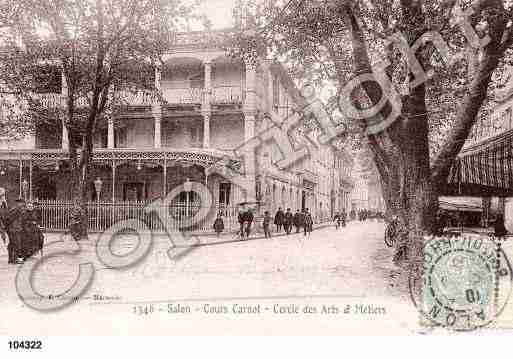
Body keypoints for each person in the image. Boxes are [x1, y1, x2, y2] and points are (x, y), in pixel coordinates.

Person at [4, 198, 27, 264]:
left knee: (12, 244)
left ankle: (11, 259)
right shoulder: (16, 210)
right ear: (18, 203)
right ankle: (14, 259)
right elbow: (9, 219)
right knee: (16, 244)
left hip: (15, 229)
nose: (23, 204)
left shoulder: (17, 209)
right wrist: (9, 227)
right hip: (14, 229)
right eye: (22, 203)